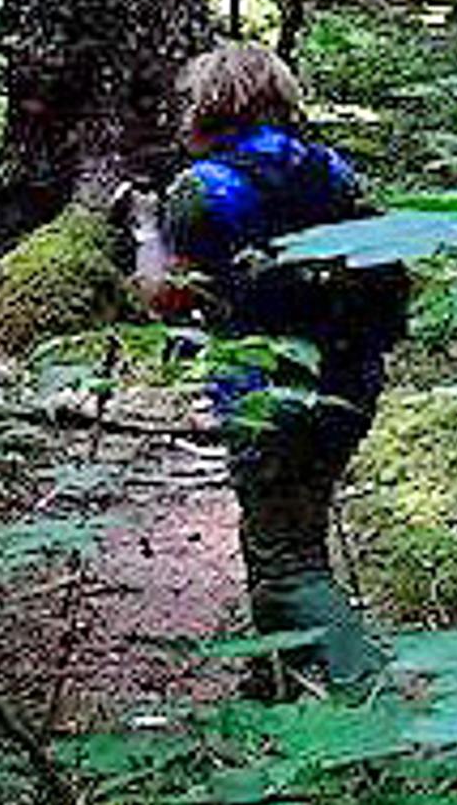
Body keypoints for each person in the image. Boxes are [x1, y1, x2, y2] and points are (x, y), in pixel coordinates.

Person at [135, 41, 399, 697]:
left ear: (214, 104)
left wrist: (145, 230)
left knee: (287, 556)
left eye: (189, 100)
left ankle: (365, 688)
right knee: (284, 528)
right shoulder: (332, 170)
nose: (180, 113)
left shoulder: (201, 190)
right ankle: (275, 674)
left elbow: (168, 296)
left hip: (263, 390)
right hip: (350, 379)